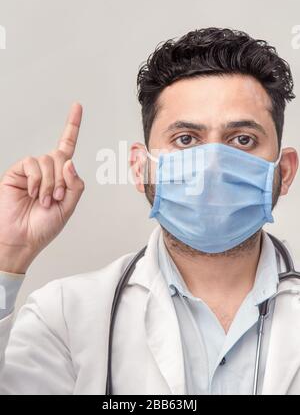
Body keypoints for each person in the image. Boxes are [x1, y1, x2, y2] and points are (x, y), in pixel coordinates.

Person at [0, 27, 299, 395]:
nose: (212, 166)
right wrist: (5, 257)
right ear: (141, 168)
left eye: (242, 140)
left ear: (284, 172)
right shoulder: (64, 316)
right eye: (186, 139)